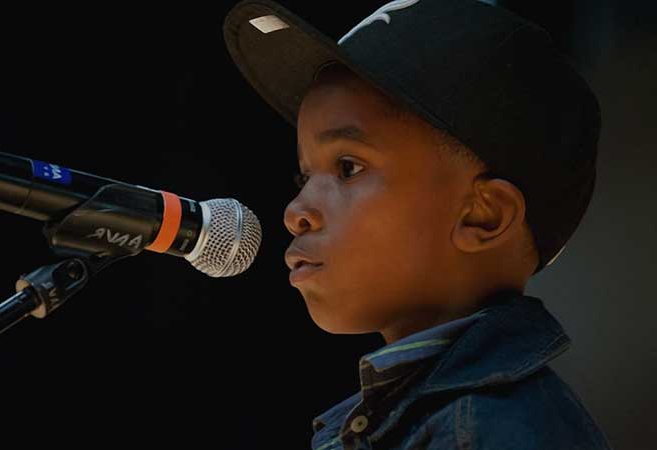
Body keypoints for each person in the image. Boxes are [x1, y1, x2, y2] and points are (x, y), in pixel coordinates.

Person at [222, 0, 612, 448]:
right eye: (305, 176)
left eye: (348, 167)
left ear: (484, 215)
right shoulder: (407, 416)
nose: (296, 210)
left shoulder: (492, 431)